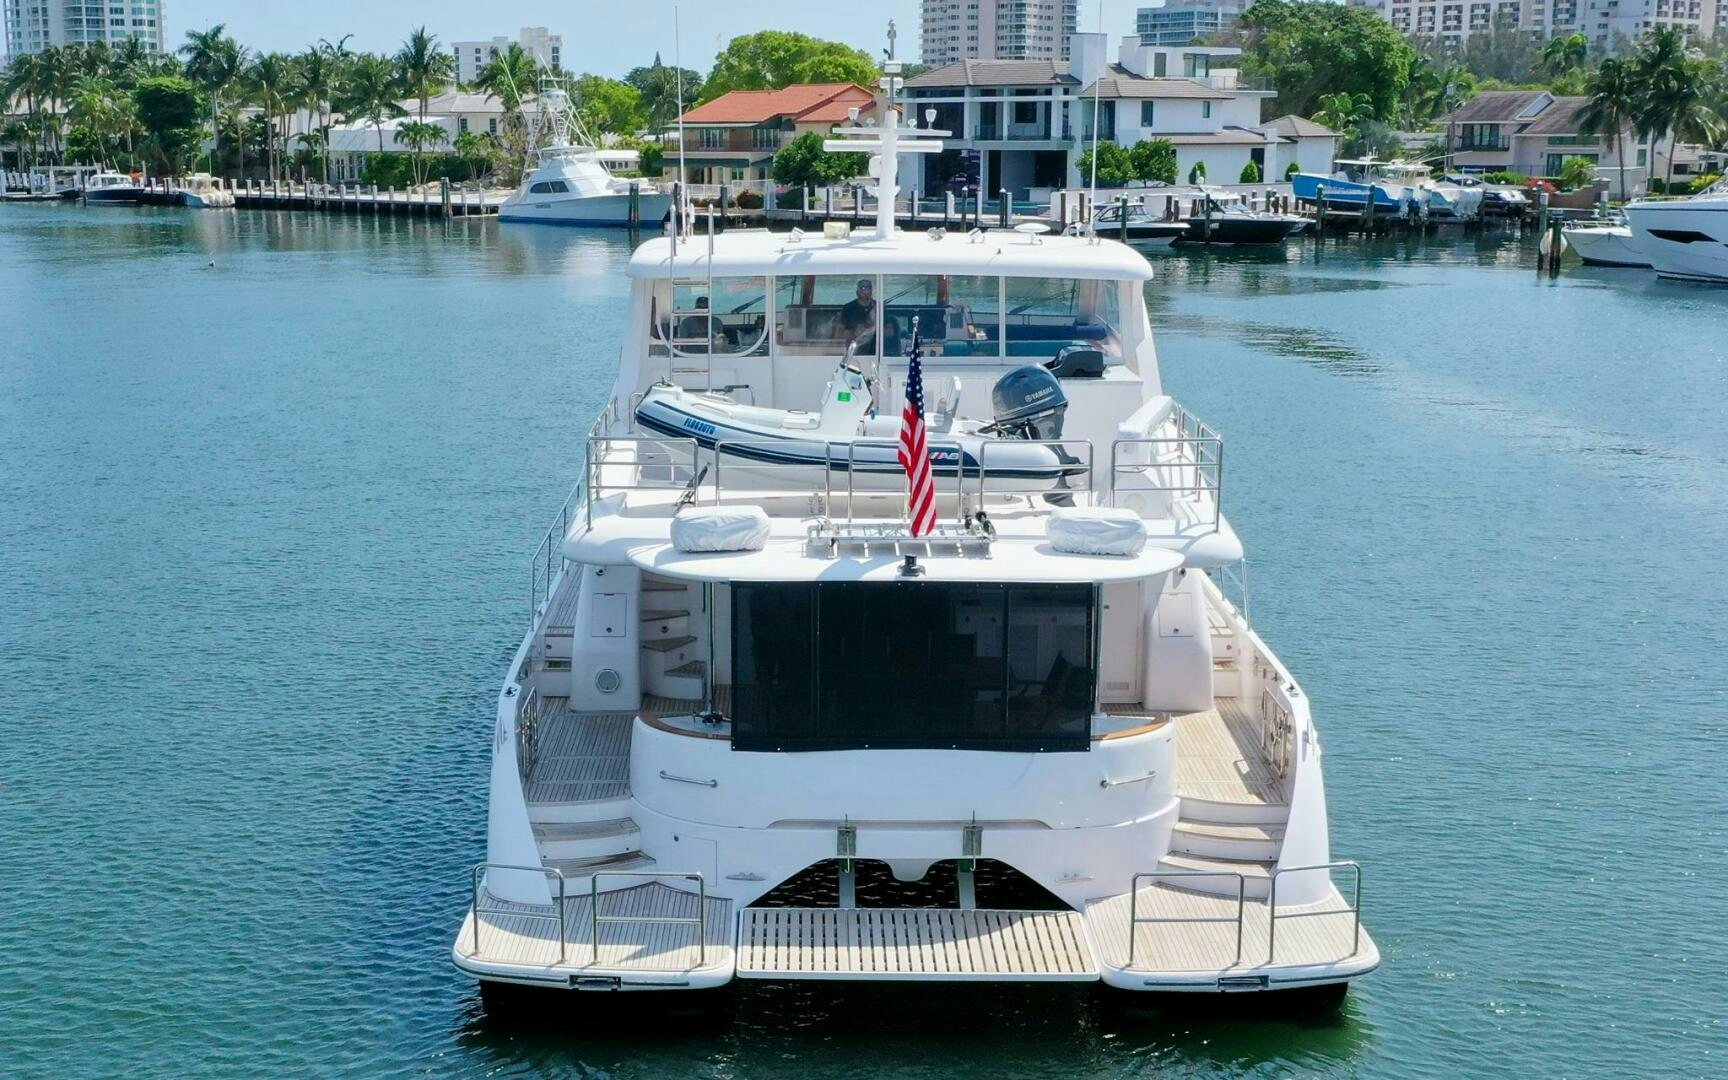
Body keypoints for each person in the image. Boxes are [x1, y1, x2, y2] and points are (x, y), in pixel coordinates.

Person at [836, 279, 876, 345]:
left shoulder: (879, 307)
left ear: (871, 292)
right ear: (857, 292)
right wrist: (854, 332)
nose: (866, 292)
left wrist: (873, 329)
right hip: (854, 348)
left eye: (869, 288)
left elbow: (889, 331)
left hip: (876, 348)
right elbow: (838, 335)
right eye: (862, 289)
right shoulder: (848, 308)